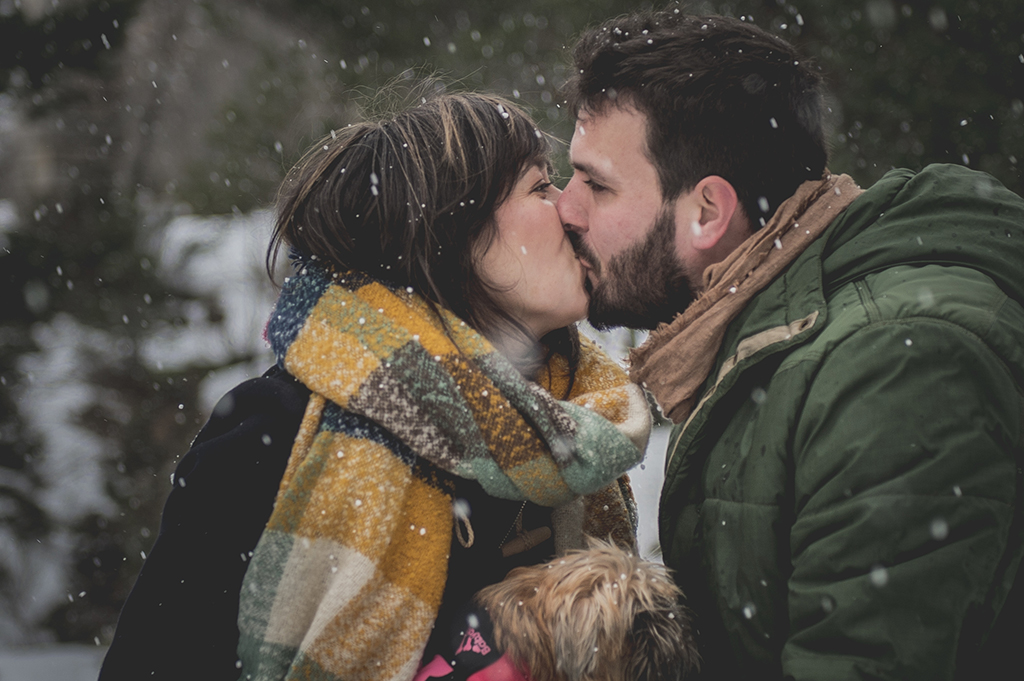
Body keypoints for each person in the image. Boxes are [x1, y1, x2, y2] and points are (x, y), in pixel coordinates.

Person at [99, 89, 652, 681]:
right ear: (451, 234)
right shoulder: (278, 430)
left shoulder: (578, 431)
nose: (570, 208)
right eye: (540, 186)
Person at [557, 8, 1024, 681]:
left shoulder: (896, 373)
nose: (567, 208)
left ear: (709, 213)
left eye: (595, 183)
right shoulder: (759, 340)